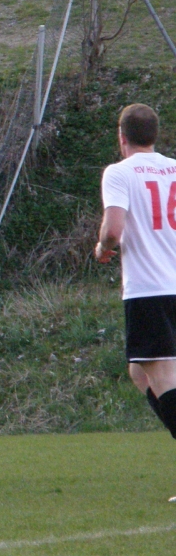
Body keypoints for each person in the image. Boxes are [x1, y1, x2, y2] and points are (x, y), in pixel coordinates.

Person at [95, 104, 176, 502]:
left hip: (150, 290)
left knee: (162, 379)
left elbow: (113, 230)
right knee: (140, 373)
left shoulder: (120, 172)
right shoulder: (174, 168)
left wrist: (102, 247)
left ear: (121, 136)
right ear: (155, 134)